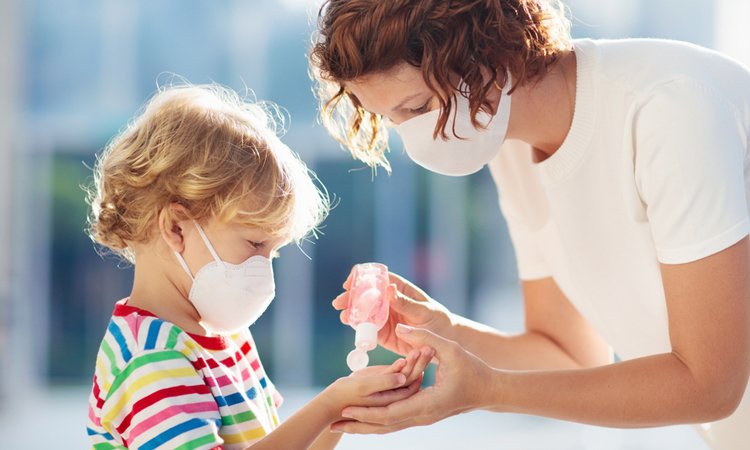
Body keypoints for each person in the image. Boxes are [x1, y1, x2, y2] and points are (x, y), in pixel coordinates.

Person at [308, 0, 750, 449]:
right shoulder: (508, 142)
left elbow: (710, 384)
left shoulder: (670, 108)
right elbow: (570, 358)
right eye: (389, 118)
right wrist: (447, 334)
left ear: (490, 52)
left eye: (417, 107)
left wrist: (490, 391)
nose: (410, 138)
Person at [84, 83, 434, 450]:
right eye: (254, 244)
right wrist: (328, 406)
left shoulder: (227, 337)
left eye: (274, 251)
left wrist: (346, 408)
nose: (264, 270)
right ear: (175, 227)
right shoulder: (149, 360)